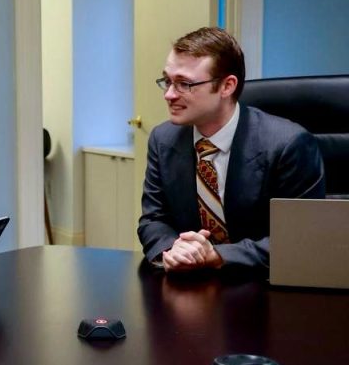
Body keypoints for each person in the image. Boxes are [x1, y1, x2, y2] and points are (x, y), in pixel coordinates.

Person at [137, 27, 325, 271]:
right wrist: (173, 249)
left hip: (262, 283)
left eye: (184, 84)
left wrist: (217, 255)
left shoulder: (288, 145)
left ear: (227, 86)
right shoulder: (163, 139)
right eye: (168, 81)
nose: (169, 94)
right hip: (188, 282)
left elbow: (299, 239)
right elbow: (153, 219)